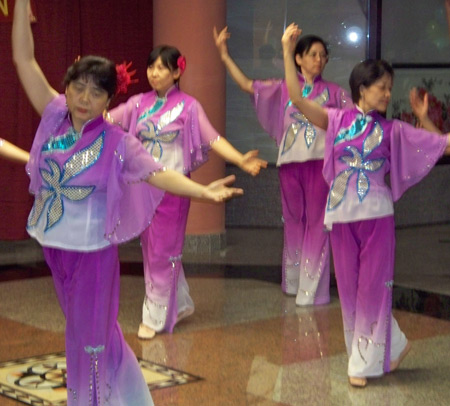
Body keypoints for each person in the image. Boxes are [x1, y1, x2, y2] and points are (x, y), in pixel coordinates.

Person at [12, 1, 243, 405]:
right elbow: (23, 58)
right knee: (89, 331)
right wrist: (18, 8)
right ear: (66, 88)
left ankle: (90, 401)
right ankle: (130, 396)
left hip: (94, 254)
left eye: (97, 91)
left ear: (108, 100)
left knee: (89, 340)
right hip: (55, 247)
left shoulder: (117, 142)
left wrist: (203, 191)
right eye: (78, 87)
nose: (85, 98)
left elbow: (159, 173)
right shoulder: (53, 116)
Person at [282, 22, 450, 387]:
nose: (388, 94)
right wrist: (286, 50)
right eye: (382, 87)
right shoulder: (336, 118)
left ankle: (362, 364)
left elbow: (444, 145)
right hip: (341, 216)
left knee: (373, 287)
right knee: (349, 289)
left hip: (377, 216)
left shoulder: (393, 130)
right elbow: (295, 99)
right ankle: (391, 346)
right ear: (362, 88)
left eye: (390, 88)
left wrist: (423, 118)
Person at [108, 45, 267, 339]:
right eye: (151, 67)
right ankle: (178, 302)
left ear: (177, 72)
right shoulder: (137, 103)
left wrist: (239, 158)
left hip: (175, 188)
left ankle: (154, 317)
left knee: (163, 250)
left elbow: (213, 137)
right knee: (153, 249)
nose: (155, 73)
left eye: (162, 68)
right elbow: (105, 119)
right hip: (144, 187)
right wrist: (86, 85)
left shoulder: (189, 106)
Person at [213, 26, 352, 306]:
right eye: (312, 54)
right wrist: (224, 55)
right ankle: (293, 282)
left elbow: (352, 122)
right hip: (289, 164)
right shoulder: (283, 88)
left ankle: (312, 289)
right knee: (292, 221)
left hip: (319, 165)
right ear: (298, 59)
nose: (319, 60)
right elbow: (246, 85)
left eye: (323, 56)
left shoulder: (336, 93)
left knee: (317, 223)